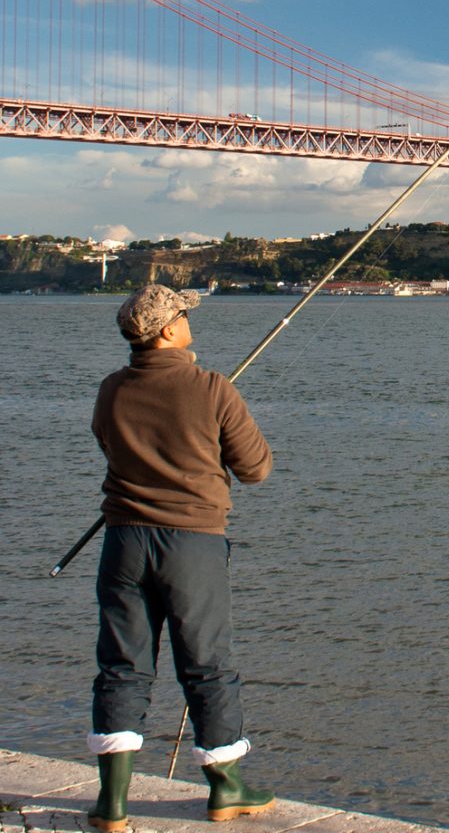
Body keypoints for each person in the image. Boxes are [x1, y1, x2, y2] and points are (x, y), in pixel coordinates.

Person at [86, 284, 276, 831]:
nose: (191, 319)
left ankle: (112, 804)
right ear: (168, 330)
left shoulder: (110, 390)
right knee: (207, 664)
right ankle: (225, 789)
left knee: (122, 664)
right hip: (191, 543)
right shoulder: (212, 388)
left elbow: (110, 444)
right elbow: (256, 468)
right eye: (185, 314)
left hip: (123, 542)